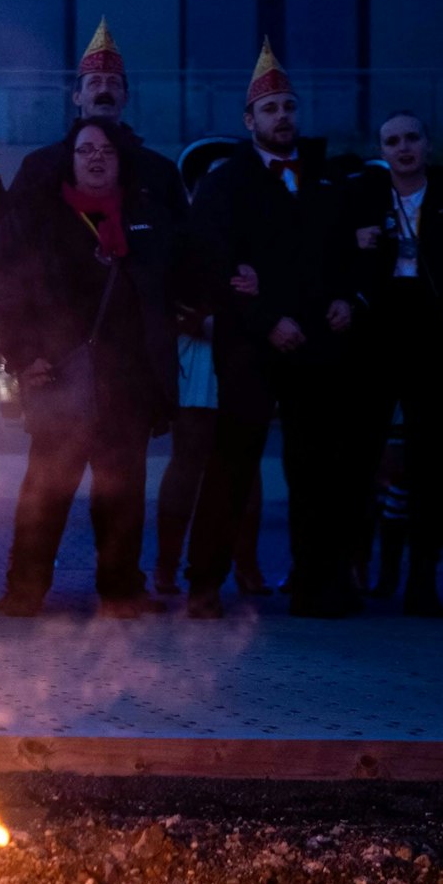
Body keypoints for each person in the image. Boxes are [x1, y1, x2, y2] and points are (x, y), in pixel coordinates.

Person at [186, 40, 362, 619]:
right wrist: (266, 320)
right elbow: (214, 268)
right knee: (233, 465)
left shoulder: (327, 180)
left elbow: (344, 256)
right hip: (249, 348)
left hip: (318, 345)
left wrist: (345, 298)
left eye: (288, 107)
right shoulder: (223, 184)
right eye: (269, 109)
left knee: (317, 469)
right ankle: (205, 584)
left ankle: (318, 586)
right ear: (248, 120)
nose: (281, 117)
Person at [0, 118, 177, 618]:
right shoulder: (43, 217)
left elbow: (175, 280)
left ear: (121, 161)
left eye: (107, 151)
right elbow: (8, 292)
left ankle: (120, 591)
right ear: (69, 160)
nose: (96, 157)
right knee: (47, 490)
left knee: (121, 493)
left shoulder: (148, 214)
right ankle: (25, 586)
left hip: (128, 379)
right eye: (85, 150)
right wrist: (24, 354)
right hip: (58, 372)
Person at [340, 111, 443, 616]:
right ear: (382, 147)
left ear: (427, 143)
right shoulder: (358, 196)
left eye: (411, 139)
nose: (403, 148)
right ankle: (346, 578)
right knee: (359, 459)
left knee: (430, 460)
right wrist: (351, 248)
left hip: (434, 333)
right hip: (377, 332)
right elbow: (329, 255)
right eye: (392, 141)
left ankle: (422, 585)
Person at [154, 137, 270, 599]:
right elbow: (163, 287)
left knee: (248, 463)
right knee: (188, 459)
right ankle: (166, 564)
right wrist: (197, 317)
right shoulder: (182, 230)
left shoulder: (263, 230)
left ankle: (247, 564)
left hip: (247, 351)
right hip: (198, 352)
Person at [8, 18, 184, 222]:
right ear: (76, 97)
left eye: (113, 83)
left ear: (125, 97)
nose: (104, 90)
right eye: (94, 83)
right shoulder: (40, 166)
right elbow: (12, 233)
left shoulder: (158, 171)